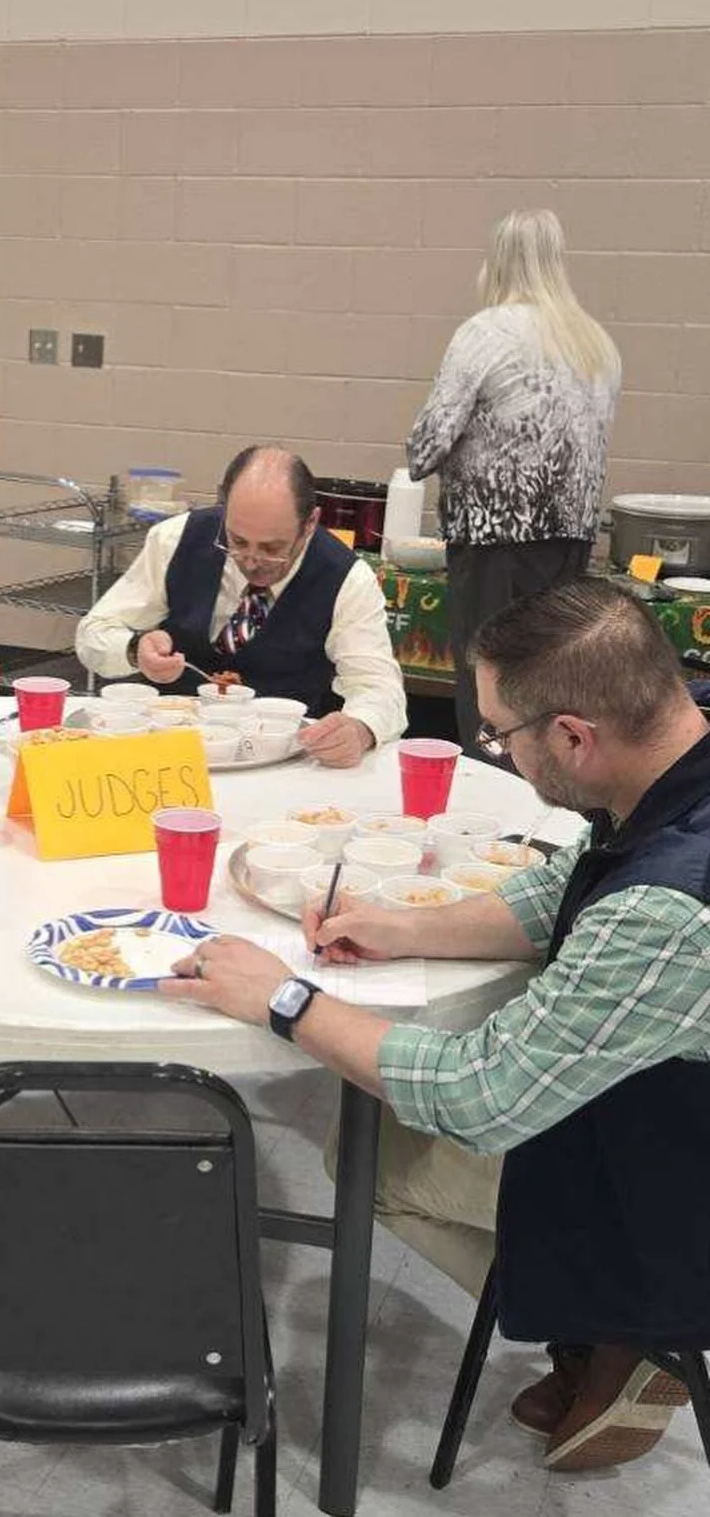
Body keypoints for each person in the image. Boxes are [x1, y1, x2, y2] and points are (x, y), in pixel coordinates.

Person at [162, 579, 710, 1473]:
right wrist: (400, 925)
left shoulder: (671, 907)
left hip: (679, 1180)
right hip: (668, 1098)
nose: (497, 751)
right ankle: (608, 1327)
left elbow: (479, 1092)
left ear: (575, 735)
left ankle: (627, 1325)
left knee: (373, 1157)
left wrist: (284, 999)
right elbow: (562, 887)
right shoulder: (676, 745)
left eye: (499, 735)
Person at [406, 209, 621, 753]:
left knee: (491, 694)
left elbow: (425, 449)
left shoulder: (485, 333)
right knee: (553, 691)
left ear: (496, 262)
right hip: (570, 546)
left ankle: (488, 816)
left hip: (494, 546)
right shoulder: (596, 344)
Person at [75, 445, 406, 769]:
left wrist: (360, 729)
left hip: (283, 761)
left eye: (273, 547)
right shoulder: (176, 540)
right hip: (169, 752)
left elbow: (379, 687)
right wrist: (135, 650)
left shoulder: (345, 577)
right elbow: (93, 635)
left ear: (310, 523)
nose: (253, 561)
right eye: (237, 541)